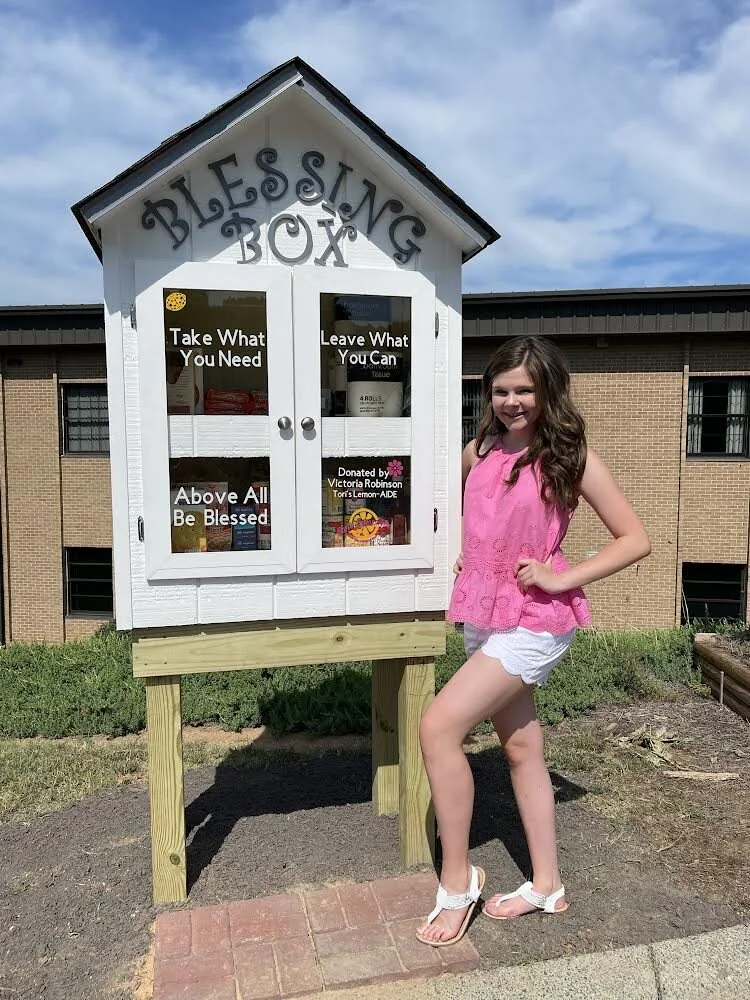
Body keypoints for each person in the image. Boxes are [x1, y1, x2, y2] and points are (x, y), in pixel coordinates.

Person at [415, 336, 651, 947]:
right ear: (487, 392)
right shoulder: (479, 451)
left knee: (438, 728)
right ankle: (546, 884)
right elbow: (463, 514)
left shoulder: (569, 458)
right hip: (483, 613)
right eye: (501, 390)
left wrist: (561, 576)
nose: (512, 401)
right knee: (521, 749)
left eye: (525, 390)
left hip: (533, 620)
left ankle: (457, 881)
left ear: (546, 392)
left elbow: (634, 539)